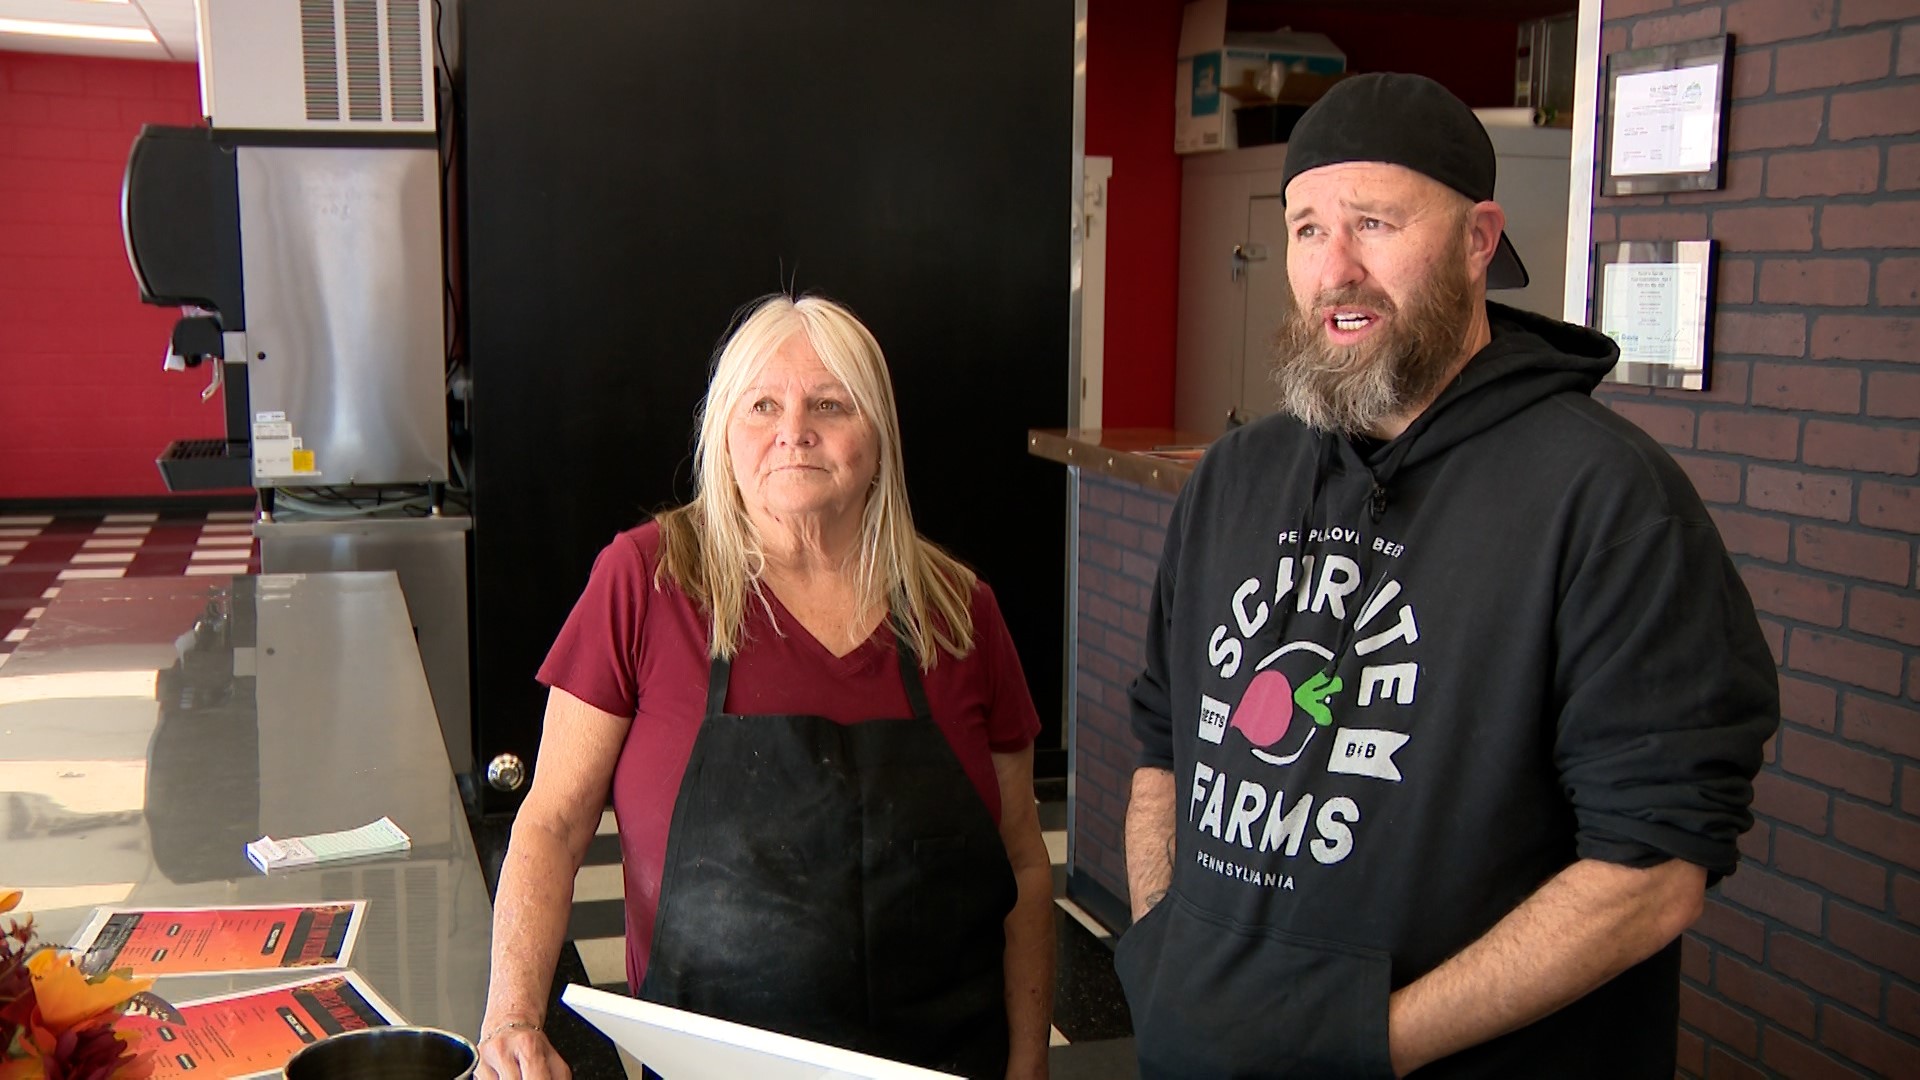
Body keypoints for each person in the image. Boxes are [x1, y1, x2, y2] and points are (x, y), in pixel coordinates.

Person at [1120, 73, 1778, 1078]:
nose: (1335, 267)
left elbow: (1650, 875)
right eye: (1305, 229)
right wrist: (1169, 952)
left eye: (1374, 222)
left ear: (1478, 242)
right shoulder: (1236, 478)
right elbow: (1167, 743)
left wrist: (1362, 1047)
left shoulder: (1605, 498)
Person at [476, 294, 1055, 1080]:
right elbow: (551, 824)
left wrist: (1028, 1067)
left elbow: (1022, 859)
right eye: (762, 404)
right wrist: (512, 1016)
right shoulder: (645, 581)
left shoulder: (960, 612)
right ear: (723, 432)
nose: (794, 430)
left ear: (877, 439)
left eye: (829, 404)